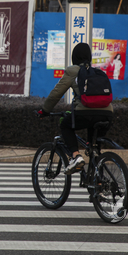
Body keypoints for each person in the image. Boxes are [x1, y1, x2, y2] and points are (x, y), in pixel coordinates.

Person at [38, 43, 113, 174]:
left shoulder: (73, 71)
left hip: (84, 113)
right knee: (93, 150)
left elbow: (56, 93)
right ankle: (98, 183)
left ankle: (76, 156)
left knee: (66, 125)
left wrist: (45, 110)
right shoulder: (98, 72)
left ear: (75, 57)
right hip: (107, 114)